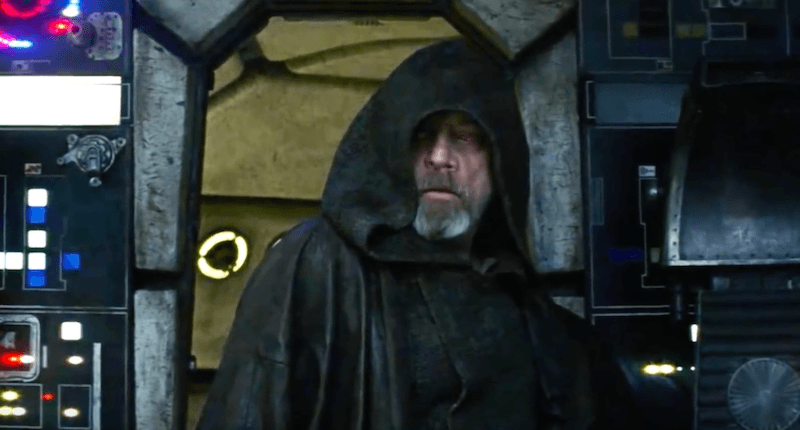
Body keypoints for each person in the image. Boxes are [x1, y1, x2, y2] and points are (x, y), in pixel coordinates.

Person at [196, 38, 640, 430]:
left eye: (466, 138)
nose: (440, 157)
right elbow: (248, 411)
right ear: (392, 149)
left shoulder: (531, 313)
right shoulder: (317, 264)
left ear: (499, 161)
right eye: (422, 136)